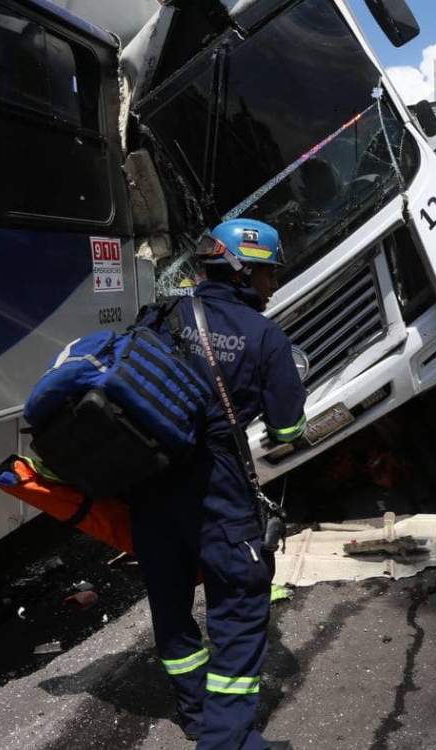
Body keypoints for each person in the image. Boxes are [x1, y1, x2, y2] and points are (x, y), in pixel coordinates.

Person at [128, 218, 307, 750]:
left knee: (171, 603)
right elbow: (288, 430)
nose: (272, 286)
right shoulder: (264, 337)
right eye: (268, 275)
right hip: (217, 491)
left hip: (151, 488)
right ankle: (226, 740)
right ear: (242, 271)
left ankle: (197, 715)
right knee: (240, 606)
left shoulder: (159, 315)